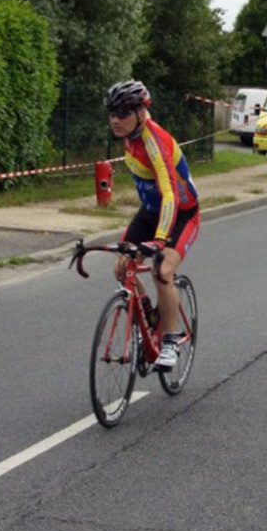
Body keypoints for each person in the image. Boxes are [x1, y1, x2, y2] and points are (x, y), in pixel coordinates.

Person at [105, 79, 200, 369]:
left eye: (123, 114)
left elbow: (170, 193)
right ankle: (149, 315)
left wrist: (159, 239)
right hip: (150, 211)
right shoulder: (129, 136)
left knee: (162, 271)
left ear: (140, 112)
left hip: (180, 213)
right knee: (122, 268)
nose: (115, 120)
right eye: (112, 114)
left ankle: (170, 340)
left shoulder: (154, 141)